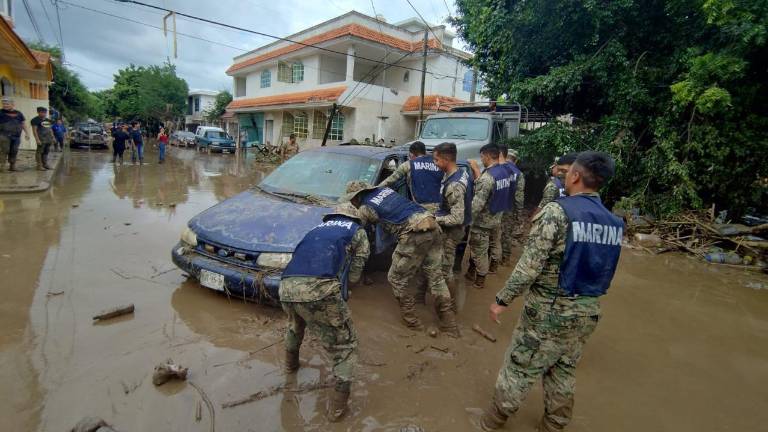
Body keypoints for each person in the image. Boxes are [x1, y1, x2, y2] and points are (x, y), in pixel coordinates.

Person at [478, 151, 624, 431]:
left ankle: (492, 422)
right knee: (563, 371)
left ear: (576, 176)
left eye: (568, 172)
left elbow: (528, 266)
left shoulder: (558, 211)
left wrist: (501, 299)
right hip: (587, 312)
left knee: (520, 366)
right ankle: (554, 425)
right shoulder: (613, 222)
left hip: (549, 311)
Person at [279, 202, 370, 422]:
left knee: (295, 326)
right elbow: (359, 262)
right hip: (319, 289)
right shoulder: (357, 231)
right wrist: (350, 286)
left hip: (286, 286)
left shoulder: (314, 229)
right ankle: (337, 411)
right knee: (346, 346)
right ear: (355, 219)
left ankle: (290, 370)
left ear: (331, 217)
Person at [343, 180, 459, 336]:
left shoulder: (365, 207)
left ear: (356, 197)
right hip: (433, 226)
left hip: (414, 233)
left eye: (352, 200)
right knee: (436, 277)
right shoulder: (385, 191)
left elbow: (354, 230)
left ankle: (412, 322)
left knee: (396, 278)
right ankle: (450, 325)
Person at [465, 144, 512, 289]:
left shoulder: (488, 178)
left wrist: (464, 220)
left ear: (486, 155)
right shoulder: (504, 172)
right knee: (494, 244)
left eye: (481, 157)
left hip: (482, 222)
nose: (481, 159)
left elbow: (476, 206)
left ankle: (480, 279)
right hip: (496, 217)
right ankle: (493, 266)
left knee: (479, 251)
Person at [433, 142, 473, 285]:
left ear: (446, 160)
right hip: (459, 227)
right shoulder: (462, 172)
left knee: (445, 269)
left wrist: (435, 219)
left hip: (452, 231)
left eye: (436, 160)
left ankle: (450, 304)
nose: (435, 163)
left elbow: (457, 217)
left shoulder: (454, 185)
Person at [378, 141, 443, 212]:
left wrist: (373, 190)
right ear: (425, 152)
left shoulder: (408, 165)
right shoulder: (438, 163)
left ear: (411, 154)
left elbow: (390, 180)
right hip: (439, 208)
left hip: (421, 209)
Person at [498, 145, 524, 266]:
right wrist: (519, 215)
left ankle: (491, 261)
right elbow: (519, 197)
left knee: (493, 233)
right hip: (509, 208)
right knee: (506, 234)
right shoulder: (519, 174)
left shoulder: (498, 169)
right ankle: (505, 259)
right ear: (516, 160)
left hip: (495, 207)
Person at [0, 97, 30, 172]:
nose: (5, 105)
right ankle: (2, 167)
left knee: (14, 150)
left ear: (13, 104)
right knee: (5, 150)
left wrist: (27, 133)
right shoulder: (0, 113)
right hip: (4, 135)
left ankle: (12, 166)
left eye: (7, 104)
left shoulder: (19, 113)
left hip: (16, 136)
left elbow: (23, 124)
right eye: (3, 104)